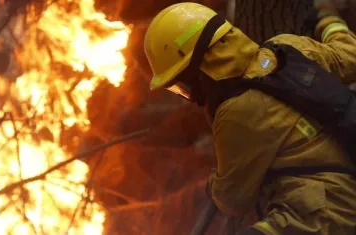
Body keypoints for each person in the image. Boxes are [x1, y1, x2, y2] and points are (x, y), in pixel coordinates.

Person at [143, 1, 356, 234]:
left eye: (182, 84)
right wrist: (327, 18)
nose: (188, 94)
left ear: (198, 70)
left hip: (323, 213)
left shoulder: (235, 112)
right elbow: (350, 55)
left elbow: (232, 199)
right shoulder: (288, 47)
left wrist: (212, 186)